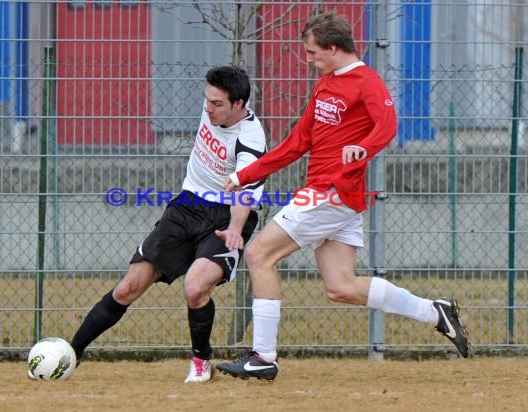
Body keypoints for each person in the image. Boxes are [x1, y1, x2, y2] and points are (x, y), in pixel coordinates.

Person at [216, 11, 469, 381]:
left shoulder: (366, 81)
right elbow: (297, 142)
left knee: (258, 254)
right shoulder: (325, 83)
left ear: (333, 49)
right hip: (334, 197)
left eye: (312, 52)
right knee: (341, 287)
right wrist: (245, 174)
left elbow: (387, 125)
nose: (309, 58)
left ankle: (263, 357)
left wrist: (362, 149)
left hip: (330, 193)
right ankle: (435, 312)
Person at [68, 66, 267, 383]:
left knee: (196, 287)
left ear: (239, 104)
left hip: (226, 218)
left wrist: (233, 229)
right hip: (186, 206)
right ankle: (70, 354)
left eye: (217, 103)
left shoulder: (251, 140)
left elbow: (244, 191)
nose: (208, 108)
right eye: (207, 100)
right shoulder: (213, 110)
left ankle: (202, 361)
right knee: (127, 288)